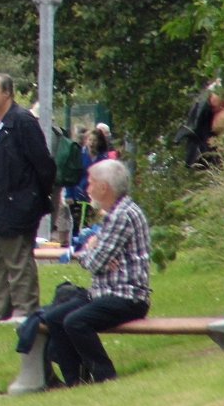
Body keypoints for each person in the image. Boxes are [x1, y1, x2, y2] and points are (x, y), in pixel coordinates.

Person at [42, 159, 151, 385]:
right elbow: (100, 260)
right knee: (54, 317)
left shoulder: (122, 215)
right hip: (104, 292)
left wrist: (89, 251)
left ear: (104, 187)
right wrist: (94, 252)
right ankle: (75, 381)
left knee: (75, 321)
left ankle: (105, 376)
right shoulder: (115, 213)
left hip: (127, 297)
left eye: (90, 183)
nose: (86, 188)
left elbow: (95, 262)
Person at [0, 73, 55, 324]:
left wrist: (31, 198)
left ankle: (25, 310)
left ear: (7, 93)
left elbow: (43, 164)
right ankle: (1, 312)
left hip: (16, 204)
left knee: (18, 258)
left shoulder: (22, 122)